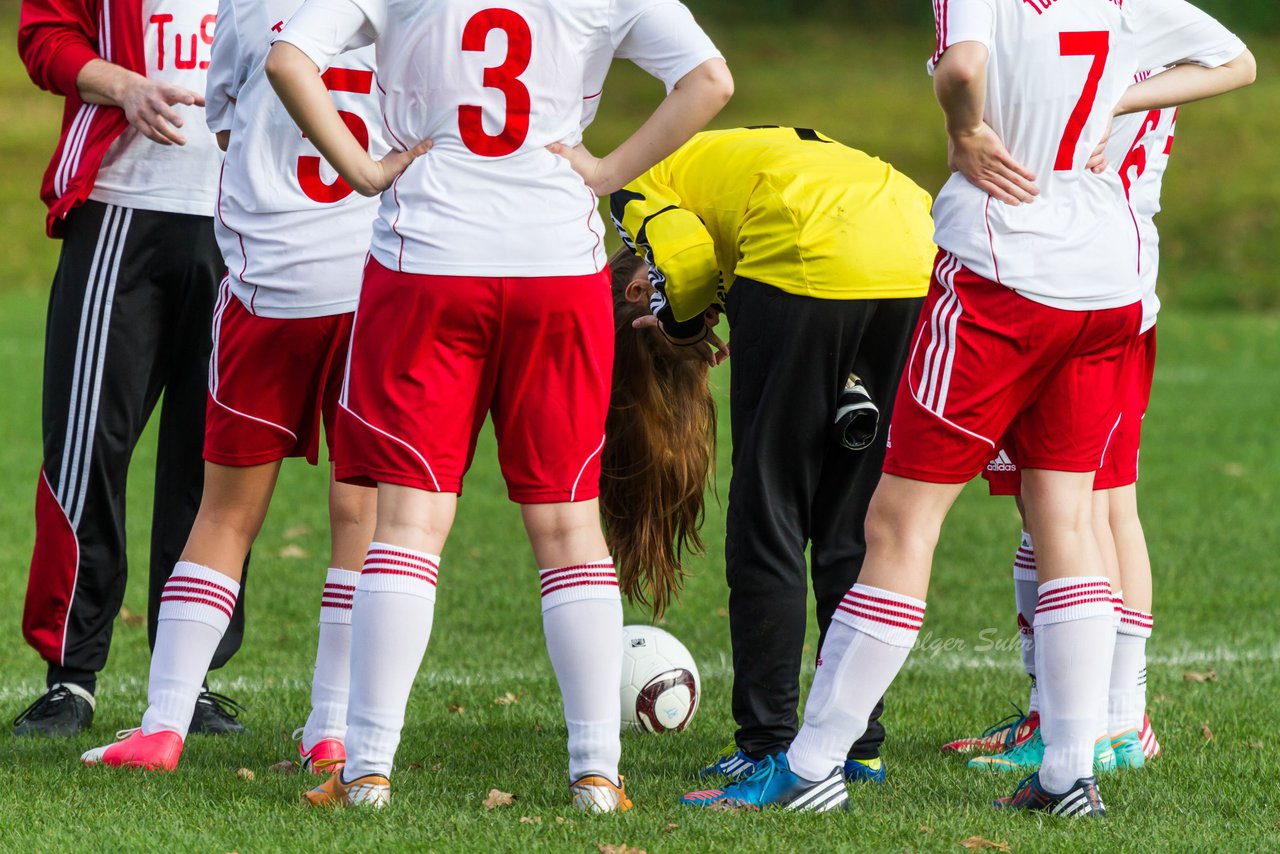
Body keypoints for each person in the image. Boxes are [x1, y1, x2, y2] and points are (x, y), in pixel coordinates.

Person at [682, 0, 1255, 817]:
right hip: (1108, 278)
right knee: (1067, 517)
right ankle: (1068, 773)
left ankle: (810, 767)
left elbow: (961, 68)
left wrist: (964, 130)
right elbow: (1240, 61)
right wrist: (1116, 102)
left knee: (899, 523)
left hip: (1001, 269)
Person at [263, 0, 732, 810]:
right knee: (568, 524)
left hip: (429, 258)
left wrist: (365, 171)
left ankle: (368, 769)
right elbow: (710, 81)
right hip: (557, 261)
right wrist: (605, 171)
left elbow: (286, 60)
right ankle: (597, 775)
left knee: (409, 523)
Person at [944, 1, 1253, 774]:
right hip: (1072, 266)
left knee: (1098, 505)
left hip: (1091, 267)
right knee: (1052, 504)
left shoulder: (1127, 14)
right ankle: (1061, 711)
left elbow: (1239, 62)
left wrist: (1118, 98)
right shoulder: (1105, 18)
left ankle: (1119, 717)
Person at [79, 0, 386, 773]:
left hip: (270, 284)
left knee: (224, 513)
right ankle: (331, 726)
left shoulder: (249, 7)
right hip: (371, 282)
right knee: (363, 512)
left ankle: (162, 724)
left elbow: (223, 129)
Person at [605, 127, 934, 786]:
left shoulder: (635, 180)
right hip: (915, 247)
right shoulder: (724, 164)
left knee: (770, 512)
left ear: (637, 288)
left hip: (806, 251)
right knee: (853, 519)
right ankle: (858, 744)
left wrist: (683, 325)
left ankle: (768, 745)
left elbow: (687, 260)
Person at [13, 0, 249, 738]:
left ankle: (191, 677)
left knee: (213, 462)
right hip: (121, 206)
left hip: (242, 219)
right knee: (86, 450)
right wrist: (125, 87)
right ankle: (71, 677)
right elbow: (43, 36)